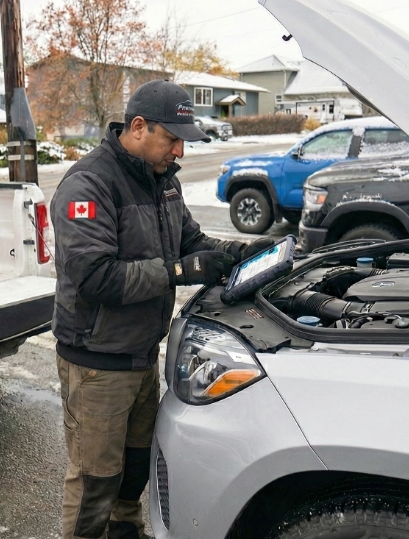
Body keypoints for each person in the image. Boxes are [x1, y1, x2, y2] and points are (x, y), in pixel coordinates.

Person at [50, 80, 274, 539]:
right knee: (96, 479)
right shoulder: (88, 184)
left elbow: (191, 242)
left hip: (140, 355)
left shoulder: (161, 182)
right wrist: (179, 270)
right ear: (137, 127)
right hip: (97, 364)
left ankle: (126, 529)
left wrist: (241, 253)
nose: (180, 151)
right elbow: (95, 278)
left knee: (135, 467)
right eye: (172, 139)